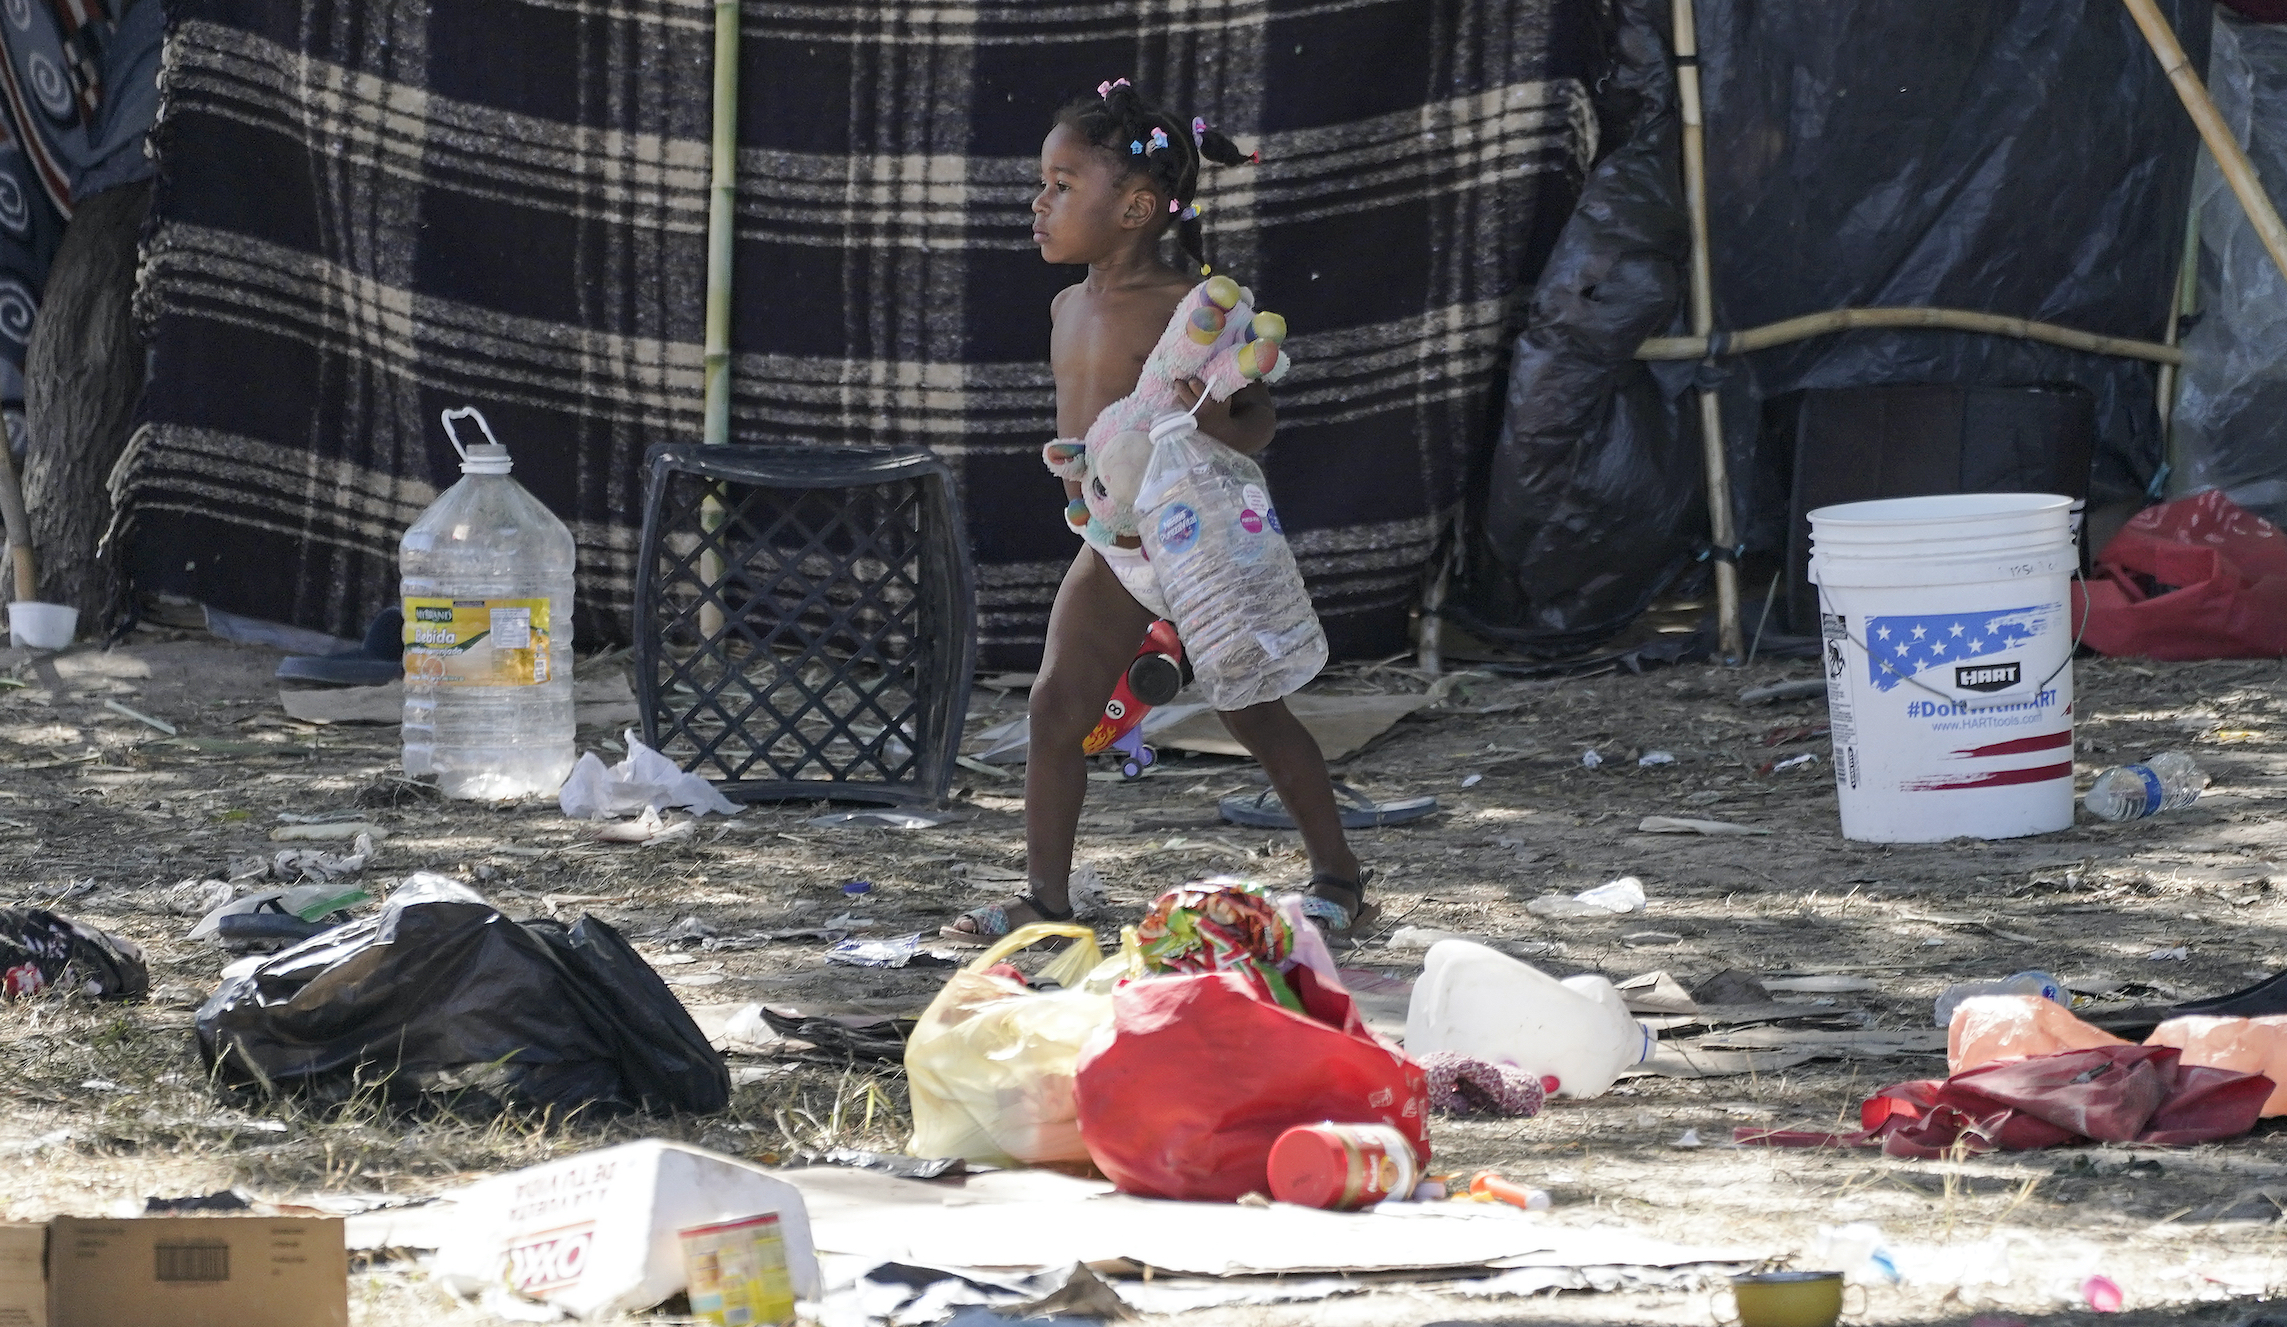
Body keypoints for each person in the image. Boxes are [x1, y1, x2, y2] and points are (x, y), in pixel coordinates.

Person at [942, 79, 1374, 944]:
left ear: (1135, 205)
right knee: (1054, 711)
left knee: (1253, 711)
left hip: (1198, 545)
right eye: (1043, 181)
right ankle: (1047, 902)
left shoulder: (1189, 313)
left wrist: (1217, 414)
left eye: (1062, 185)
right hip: (1111, 544)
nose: (1038, 201)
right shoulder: (1069, 305)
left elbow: (1255, 423)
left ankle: (1339, 876)